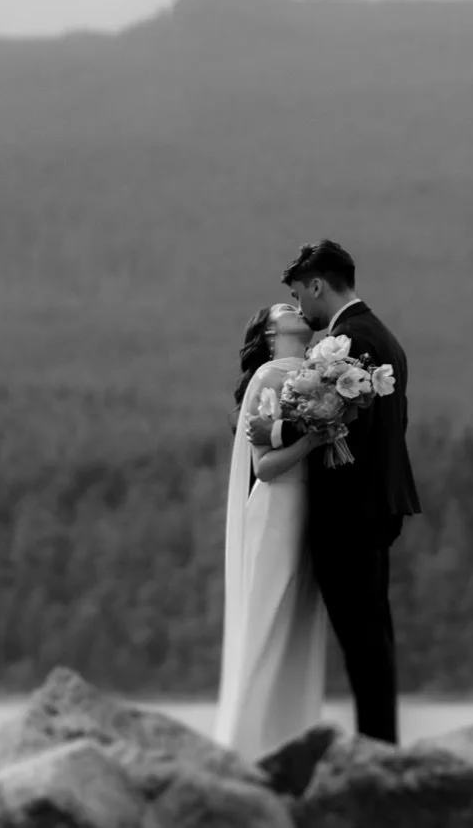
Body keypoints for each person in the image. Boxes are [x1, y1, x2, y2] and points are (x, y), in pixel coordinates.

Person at [246, 240, 422, 744]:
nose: (301, 309)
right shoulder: (382, 338)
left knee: (362, 637)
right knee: (373, 633)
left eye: (301, 295)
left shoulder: (349, 344)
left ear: (318, 285)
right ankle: (381, 740)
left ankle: (377, 745)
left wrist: (276, 434)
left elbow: (337, 420)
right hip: (376, 507)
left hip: (349, 513)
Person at [214, 301, 330, 759]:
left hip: (309, 510)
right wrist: (315, 438)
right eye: (286, 309)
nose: (297, 309)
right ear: (268, 334)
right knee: (267, 623)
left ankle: (287, 737)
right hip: (277, 512)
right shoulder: (270, 378)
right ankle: (246, 745)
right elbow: (264, 468)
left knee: (298, 623)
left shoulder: (319, 371)